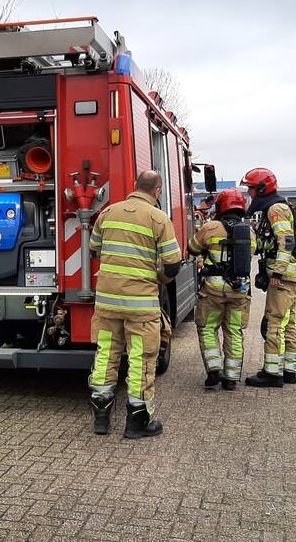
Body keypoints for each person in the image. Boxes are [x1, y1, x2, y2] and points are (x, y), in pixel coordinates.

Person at [87, 170, 182, 439]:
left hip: (107, 303)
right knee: (140, 359)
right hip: (140, 306)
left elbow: (94, 249)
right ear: (158, 191)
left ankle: (101, 419)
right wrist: (157, 277)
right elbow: (173, 263)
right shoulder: (158, 218)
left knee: (106, 355)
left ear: (134, 186)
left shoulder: (108, 213)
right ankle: (138, 423)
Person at [187, 188, 255, 390]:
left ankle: (214, 368)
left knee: (208, 328)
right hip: (240, 290)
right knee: (234, 331)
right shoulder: (249, 231)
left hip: (214, 291)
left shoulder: (211, 227)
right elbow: (255, 251)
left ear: (221, 206)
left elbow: (192, 248)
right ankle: (232, 379)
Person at [242, 167, 296, 388]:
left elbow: (286, 241)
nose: (249, 193)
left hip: (282, 277)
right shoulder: (274, 207)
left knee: (274, 322)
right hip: (289, 275)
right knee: (288, 323)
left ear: (263, 188)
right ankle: (288, 371)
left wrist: (277, 272)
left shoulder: (276, 208)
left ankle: (272, 373)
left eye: (251, 188)